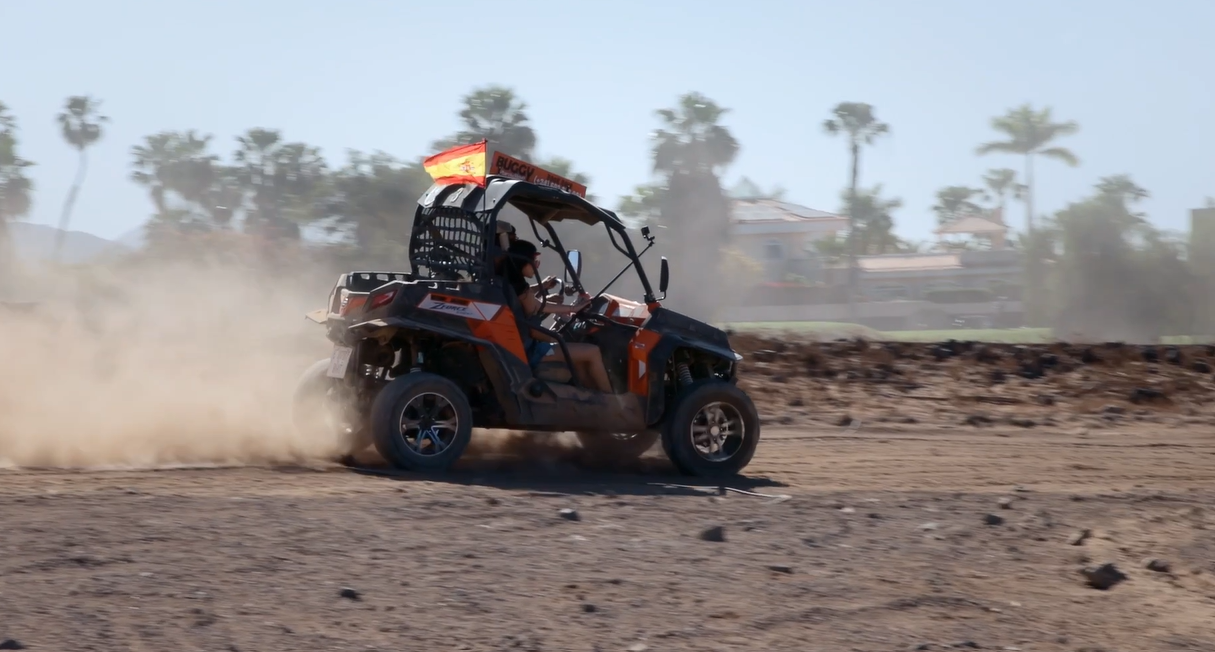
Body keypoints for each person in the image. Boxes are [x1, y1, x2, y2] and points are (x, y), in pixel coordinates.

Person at [498, 239, 616, 394]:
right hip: (530, 349)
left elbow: (530, 299)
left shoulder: (508, 281)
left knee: (579, 357)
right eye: (534, 261)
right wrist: (574, 308)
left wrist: (543, 287)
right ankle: (611, 401)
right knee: (592, 351)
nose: (536, 265)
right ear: (522, 261)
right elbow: (538, 306)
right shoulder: (518, 286)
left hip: (524, 343)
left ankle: (591, 397)